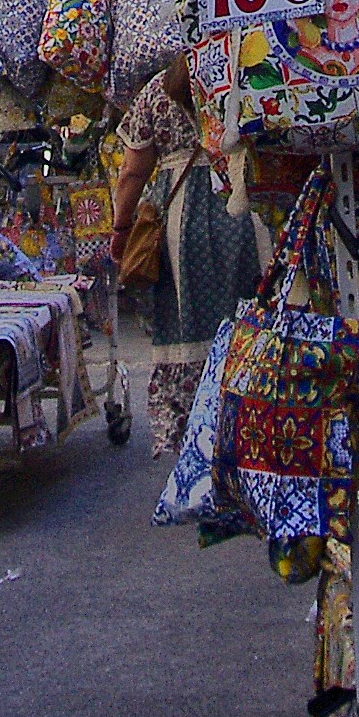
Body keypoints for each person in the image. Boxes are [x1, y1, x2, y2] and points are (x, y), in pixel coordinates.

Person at [102, 57, 255, 452]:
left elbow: (133, 172)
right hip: (243, 207)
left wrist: (121, 230)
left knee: (183, 322)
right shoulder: (243, 73)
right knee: (248, 322)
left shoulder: (158, 88)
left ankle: (191, 436)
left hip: (180, 220)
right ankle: (248, 427)